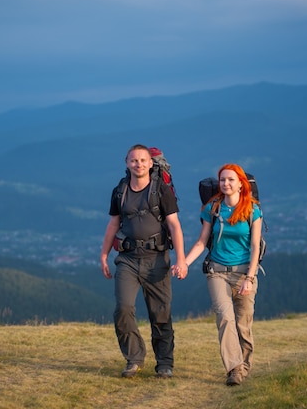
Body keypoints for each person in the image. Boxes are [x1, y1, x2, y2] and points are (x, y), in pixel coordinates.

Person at [100, 144, 188, 379]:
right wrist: (103, 255)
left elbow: (174, 226)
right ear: (127, 163)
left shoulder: (162, 191)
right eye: (133, 161)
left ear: (151, 163)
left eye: (142, 160)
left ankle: (165, 364)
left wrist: (181, 259)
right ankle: (134, 358)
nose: (138, 164)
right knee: (123, 309)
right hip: (127, 259)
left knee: (160, 313)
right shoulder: (120, 191)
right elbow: (113, 224)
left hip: (157, 259)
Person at [180, 163, 262, 386]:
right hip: (217, 272)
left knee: (243, 324)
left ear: (241, 184)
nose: (226, 183)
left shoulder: (253, 210)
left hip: (245, 272)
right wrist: (184, 263)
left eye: (231, 180)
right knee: (225, 318)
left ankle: (244, 365)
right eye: (223, 180)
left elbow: (255, 247)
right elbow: (201, 241)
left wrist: (250, 278)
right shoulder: (213, 208)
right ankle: (234, 369)